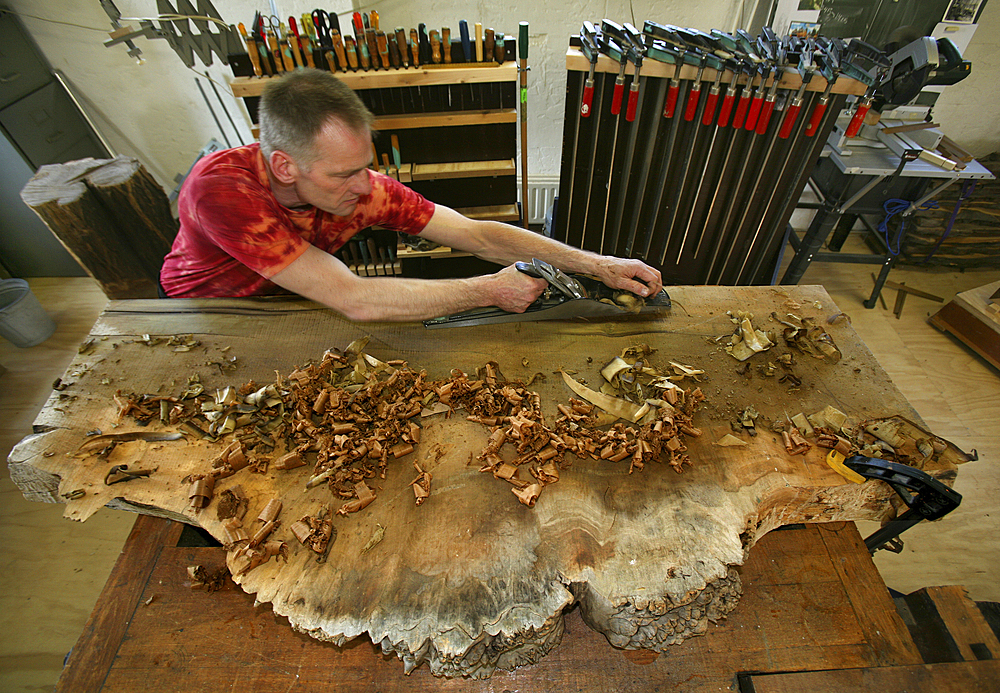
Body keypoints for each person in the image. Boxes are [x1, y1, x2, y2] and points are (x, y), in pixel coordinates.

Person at [161, 68, 663, 321]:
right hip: (207, 314)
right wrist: (488, 291)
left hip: (292, 297)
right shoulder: (223, 190)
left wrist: (597, 265)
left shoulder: (357, 186)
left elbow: (477, 236)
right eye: (343, 174)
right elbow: (352, 297)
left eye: (366, 167)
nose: (364, 188)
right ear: (284, 166)